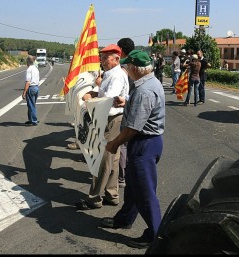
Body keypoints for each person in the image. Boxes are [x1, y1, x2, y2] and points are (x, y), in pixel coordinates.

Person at [101, 49, 165, 249]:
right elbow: (142, 107)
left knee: (144, 192)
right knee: (133, 186)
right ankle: (125, 219)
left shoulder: (145, 90)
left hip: (143, 143)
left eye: (127, 66)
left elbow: (133, 128)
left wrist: (114, 143)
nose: (125, 69)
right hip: (146, 142)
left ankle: (156, 235)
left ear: (135, 69)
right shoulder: (149, 83)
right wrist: (126, 100)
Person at [75, 44, 129, 210]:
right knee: (113, 159)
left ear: (116, 59)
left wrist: (90, 100)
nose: (102, 61)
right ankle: (111, 194)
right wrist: (92, 93)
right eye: (102, 57)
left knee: (102, 159)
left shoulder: (117, 75)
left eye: (106, 58)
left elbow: (109, 99)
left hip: (112, 118)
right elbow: (101, 91)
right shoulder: (109, 73)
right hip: (110, 118)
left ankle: (94, 198)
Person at [116, 37, 135, 188]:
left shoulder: (123, 66)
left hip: (125, 106)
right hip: (134, 107)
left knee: (122, 143)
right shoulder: (137, 63)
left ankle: (122, 177)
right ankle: (128, 174)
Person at [23, 55, 40, 126]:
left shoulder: (29, 69)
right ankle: (31, 119)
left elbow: (28, 82)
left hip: (31, 87)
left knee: (31, 105)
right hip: (36, 87)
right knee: (32, 104)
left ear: (28, 62)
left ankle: (34, 120)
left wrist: (24, 92)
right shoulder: (36, 69)